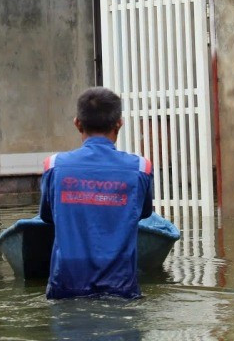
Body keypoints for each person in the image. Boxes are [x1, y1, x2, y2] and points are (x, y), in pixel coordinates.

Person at [39, 87, 154, 300]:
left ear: (77, 123)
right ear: (119, 123)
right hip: (121, 287)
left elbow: (47, 216)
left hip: (66, 286)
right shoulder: (141, 168)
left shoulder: (53, 166)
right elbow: (144, 213)